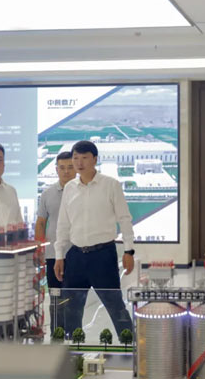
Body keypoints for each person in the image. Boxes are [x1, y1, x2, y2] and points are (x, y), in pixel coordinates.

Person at [54, 141, 134, 337]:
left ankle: (129, 346)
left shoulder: (110, 185)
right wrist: (59, 255)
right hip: (76, 256)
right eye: (76, 158)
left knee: (115, 306)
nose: (79, 163)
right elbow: (63, 224)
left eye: (84, 158)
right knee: (71, 309)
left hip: (103, 255)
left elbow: (124, 219)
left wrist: (129, 250)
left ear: (95, 159)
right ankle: (74, 349)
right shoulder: (70, 188)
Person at [35, 151, 76, 333]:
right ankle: (57, 335)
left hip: (78, 253)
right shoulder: (47, 194)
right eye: (62, 167)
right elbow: (41, 223)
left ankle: (75, 336)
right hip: (53, 255)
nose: (66, 171)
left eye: (70, 167)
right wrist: (39, 249)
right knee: (56, 298)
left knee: (75, 298)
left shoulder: (83, 192)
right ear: (56, 169)